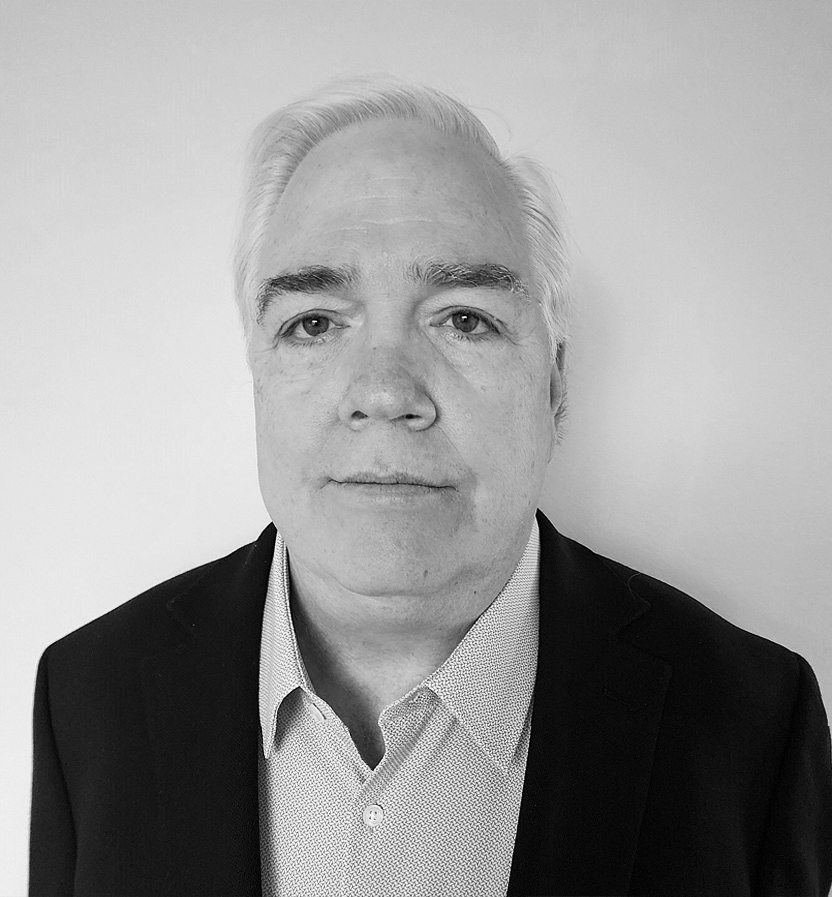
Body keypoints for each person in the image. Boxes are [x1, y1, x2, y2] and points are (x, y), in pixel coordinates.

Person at [29, 77, 832, 897]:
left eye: (464, 318)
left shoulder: (754, 726)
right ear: (259, 374)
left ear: (554, 388)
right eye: (313, 322)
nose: (385, 391)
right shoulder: (87, 701)